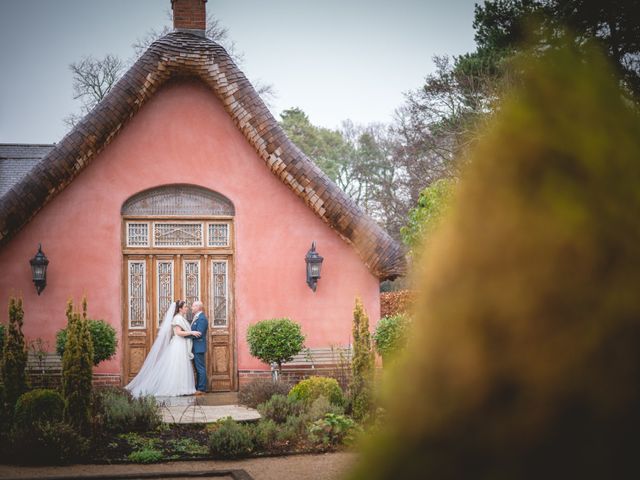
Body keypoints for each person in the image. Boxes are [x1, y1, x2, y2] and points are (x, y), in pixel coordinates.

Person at [125, 300, 202, 397]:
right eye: (185, 307)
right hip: (178, 344)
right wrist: (192, 333)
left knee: (181, 366)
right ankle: (176, 388)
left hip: (181, 344)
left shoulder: (181, 318)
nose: (187, 308)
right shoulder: (177, 318)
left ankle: (182, 387)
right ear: (180, 309)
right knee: (177, 366)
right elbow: (178, 332)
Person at [190, 300, 209, 395]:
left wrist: (185, 335)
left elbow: (199, 334)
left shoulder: (202, 318)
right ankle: (198, 387)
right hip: (195, 347)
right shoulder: (197, 317)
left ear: (198, 307)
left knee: (200, 368)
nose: (191, 308)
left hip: (199, 347)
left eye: (193, 306)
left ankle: (202, 389)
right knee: (197, 368)